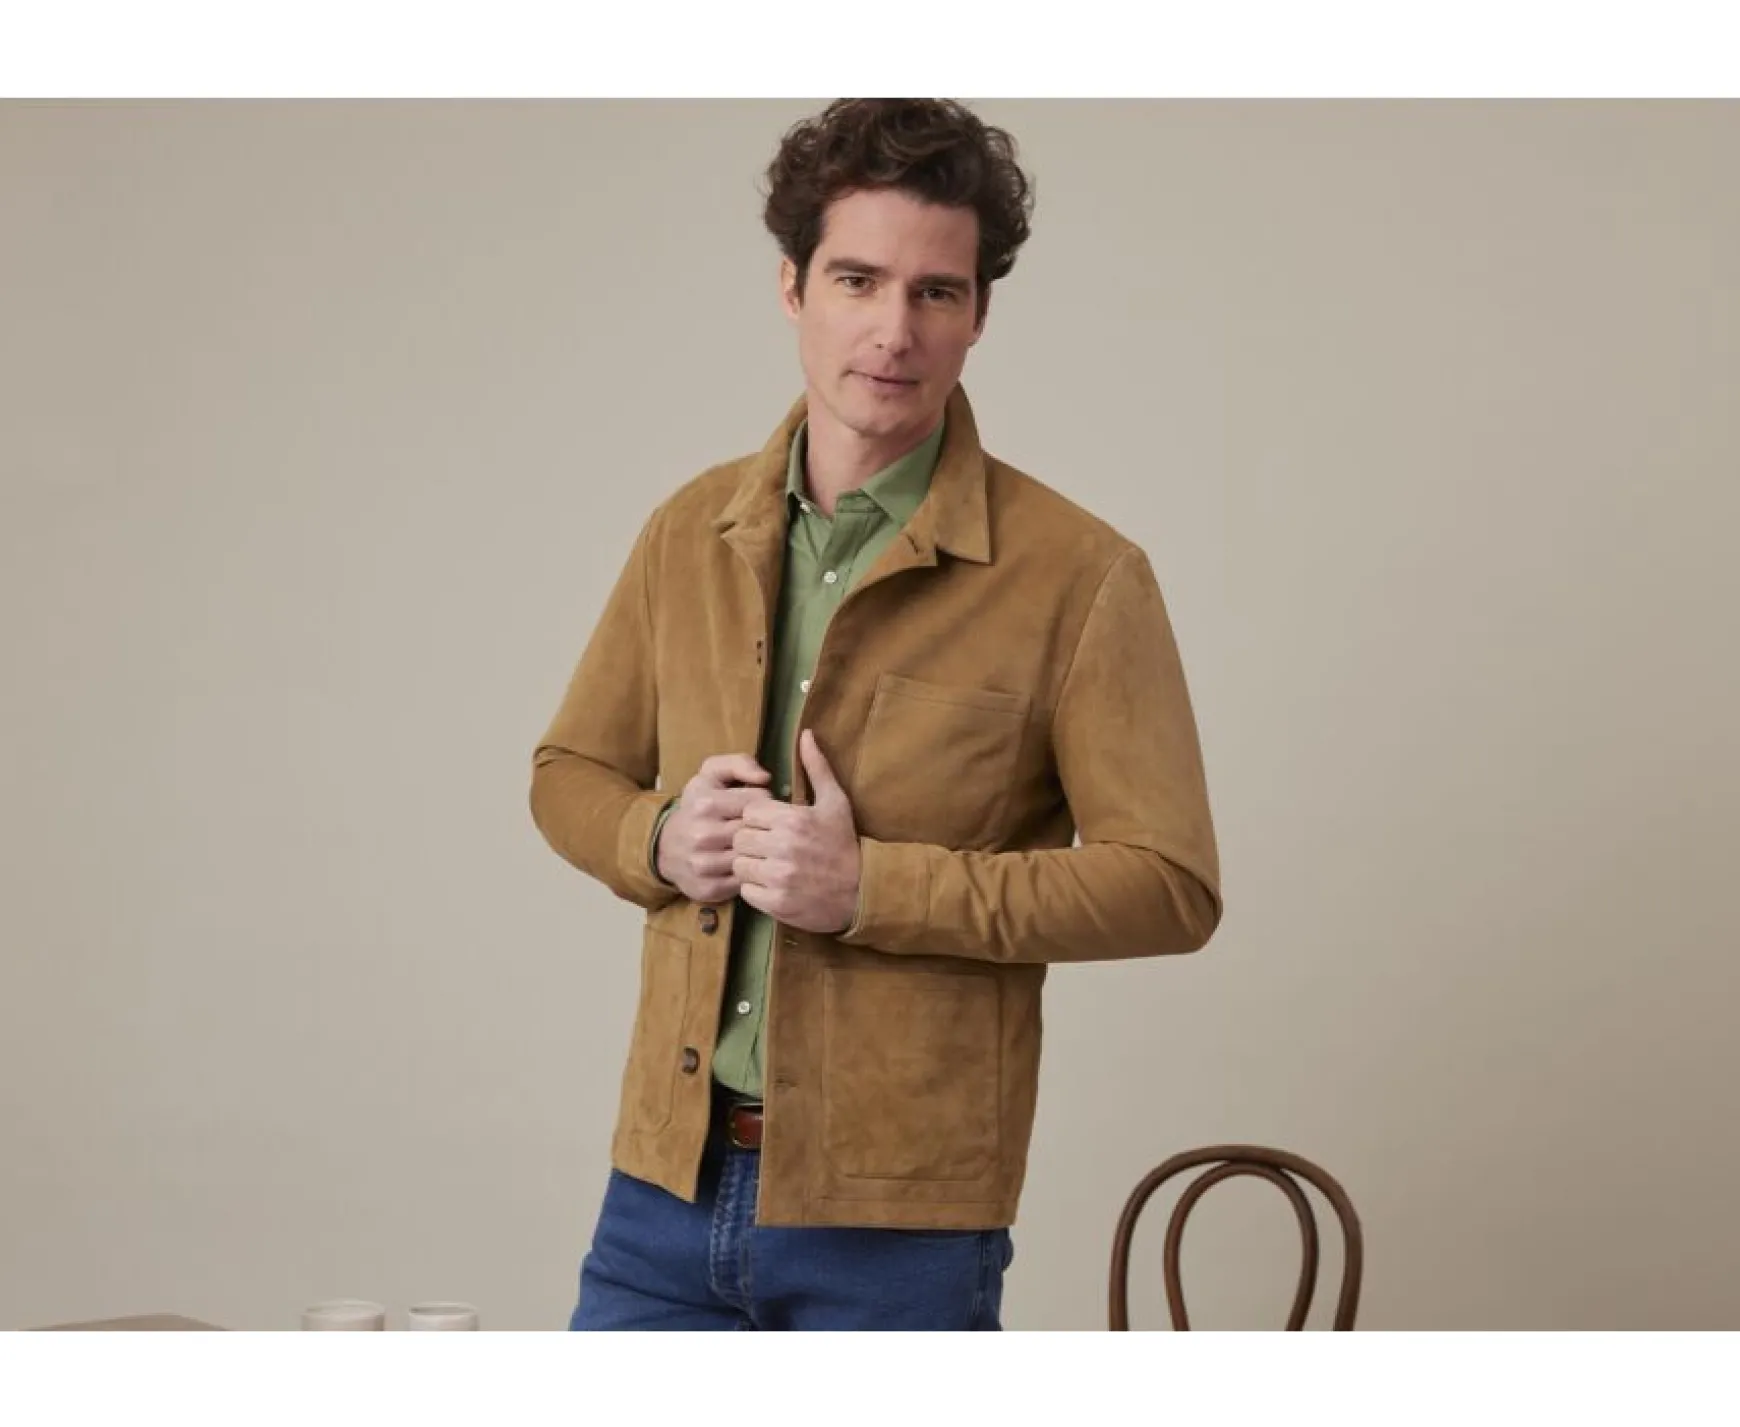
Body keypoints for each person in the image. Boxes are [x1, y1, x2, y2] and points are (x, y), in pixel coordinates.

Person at [529, 98, 1222, 1331]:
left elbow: (1169, 884)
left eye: (935, 292)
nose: (895, 331)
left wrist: (870, 888)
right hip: (661, 1192)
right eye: (857, 280)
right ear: (793, 287)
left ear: (979, 313)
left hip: (900, 1227)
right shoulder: (688, 531)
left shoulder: (1082, 576)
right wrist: (657, 836)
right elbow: (569, 768)